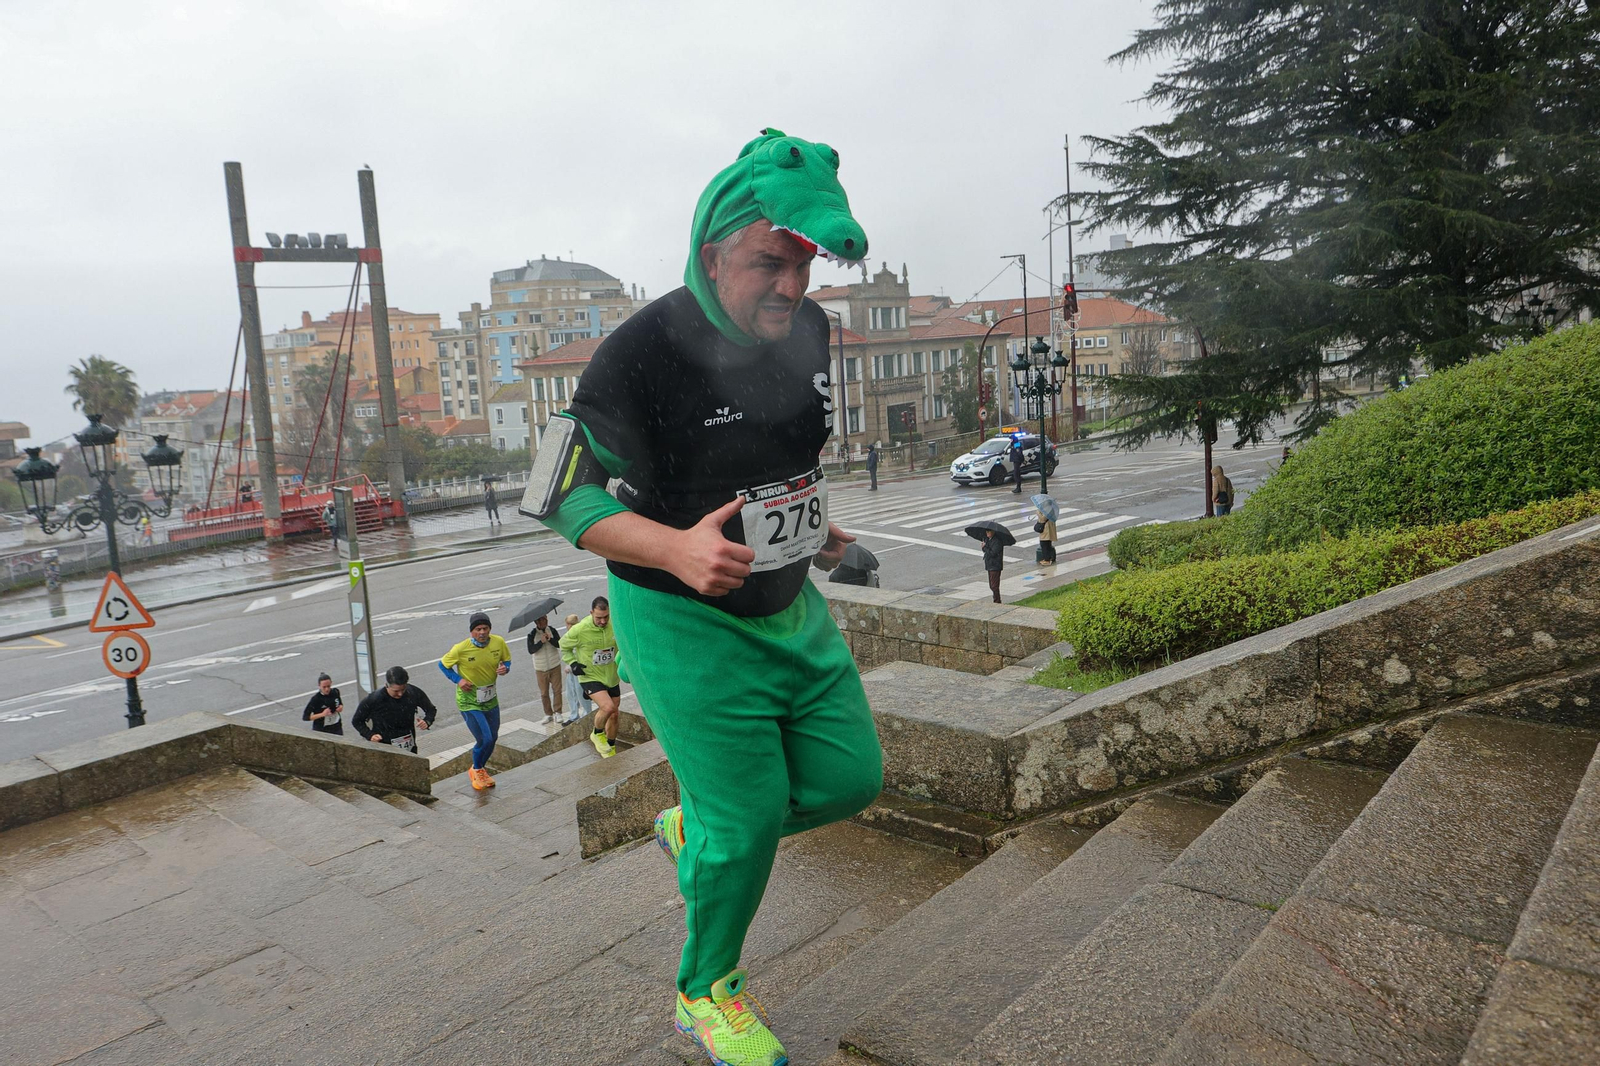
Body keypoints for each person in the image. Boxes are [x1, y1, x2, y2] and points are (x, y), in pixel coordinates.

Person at [523, 128, 882, 1066]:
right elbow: (556, 494)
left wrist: (811, 526)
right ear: (712, 251)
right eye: (770, 262)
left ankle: (701, 826)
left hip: (791, 604)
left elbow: (779, 454)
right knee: (748, 817)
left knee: (853, 781)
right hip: (680, 618)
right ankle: (705, 991)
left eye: (804, 264)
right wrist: (677, 552)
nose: (792, 287)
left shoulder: (812, 330)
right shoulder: (638, 351)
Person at [439, 611, 512, 790]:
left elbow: (507, 660)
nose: (482, 632)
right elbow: (443, 664)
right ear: (471, 631)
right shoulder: (460, 648)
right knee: (484, 738)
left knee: (493, 738)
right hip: (469, 701)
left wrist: (505, 669)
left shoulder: (498, 642)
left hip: (490, 699)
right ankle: (477, 768)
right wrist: (459, 680)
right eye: (478, 629)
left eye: (485, 628)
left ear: (490, 629)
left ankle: (480, 768)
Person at [560, 597, 621, 757]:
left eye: (606, 617)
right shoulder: (580, 629)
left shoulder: (615, 624)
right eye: (598, 617)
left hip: (611, 676)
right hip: (590, 676)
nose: (602, 621)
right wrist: (573, 663)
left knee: (614, 715)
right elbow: (563, 646)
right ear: (591, 613)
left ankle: (610, 748)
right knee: (607, 707)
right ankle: (597, 733)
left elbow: (622, 646)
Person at [351, 665, 437, 751]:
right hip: (384, 746)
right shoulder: (375, 699)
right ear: (387, 685)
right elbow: (357, 721)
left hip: (409, 746)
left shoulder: (413, 692)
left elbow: (431, 709)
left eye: (403, 689)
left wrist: (427, 721)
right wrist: (369, 735)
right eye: (396, 691)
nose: (400, 694)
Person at [526, 613, 564, 725]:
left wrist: (550, 639)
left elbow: (559, 644)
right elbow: (531, 650)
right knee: (544, 693)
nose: (544, 622)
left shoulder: (552, 630)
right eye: (541, 620)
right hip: (540, 668)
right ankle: (548, 714)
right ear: (536, 622)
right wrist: (541, 642)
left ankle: (558, 712)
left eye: (545, 619)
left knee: (557, 690)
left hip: (554, 664)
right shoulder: (532, 634)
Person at [560, 612, 592, 724]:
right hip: (570, 671)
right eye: (567, 624)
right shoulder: (568, 636)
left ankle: (587, 714)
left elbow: (581, 653)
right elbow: (565, 651)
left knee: (582, 693)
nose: (568, 626)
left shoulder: (579, 634)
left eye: (569, 624)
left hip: (580, 669)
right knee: (571, 693)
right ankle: (574, 715)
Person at [983, 528, 1006, 602]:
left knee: (994, 585)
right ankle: (996, 598)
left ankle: (997, 600)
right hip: (990, 565)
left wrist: (985, 547)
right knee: (992, 585)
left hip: (995, 565)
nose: (987, 533)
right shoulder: (987, 539)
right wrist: (984, 546)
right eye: (986, 531)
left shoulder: (997, 541)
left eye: (989, 531)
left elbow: (993, 553)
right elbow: (986, 551)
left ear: (993, 532)